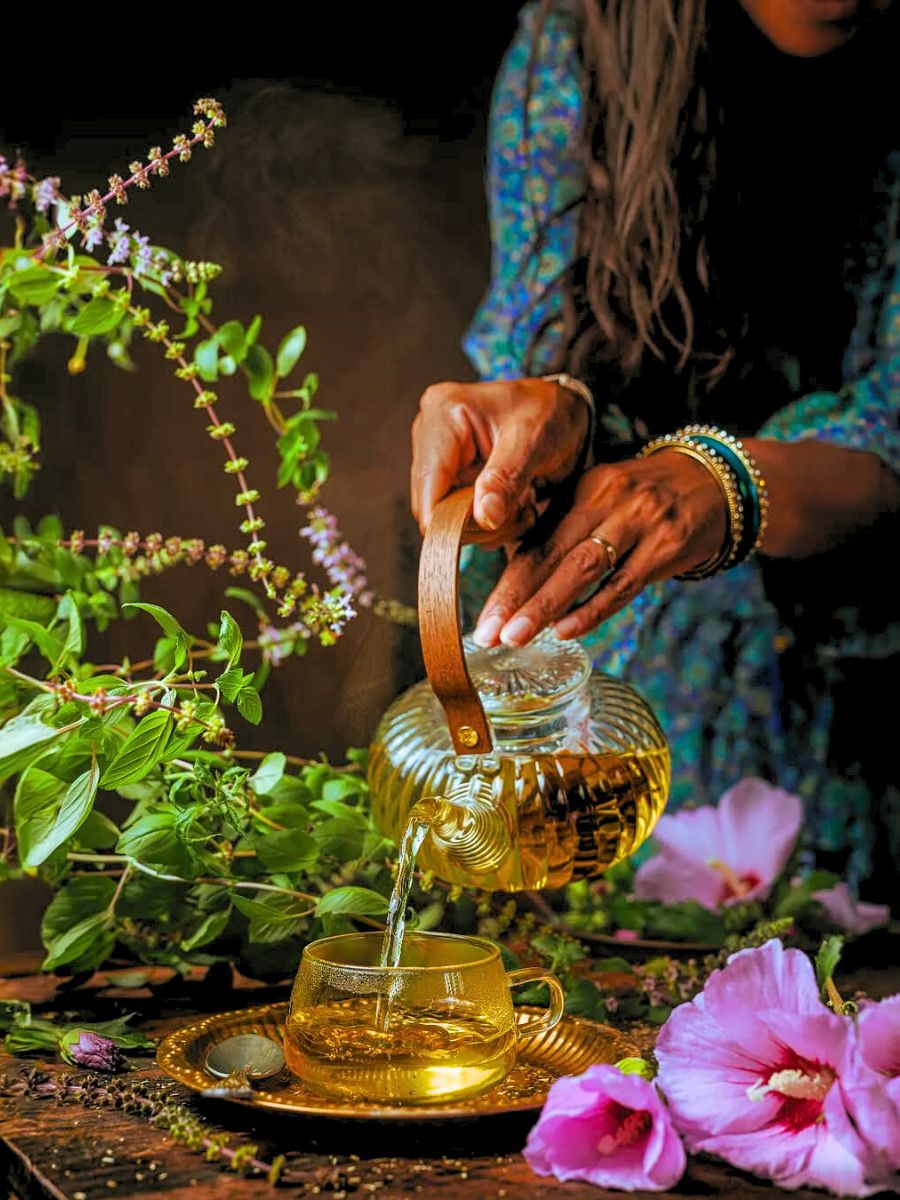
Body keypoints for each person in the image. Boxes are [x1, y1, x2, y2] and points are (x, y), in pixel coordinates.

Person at [409, 0, 900, 894]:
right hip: (635, 733)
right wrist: (554, 401)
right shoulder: (578, 39)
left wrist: (720, 486)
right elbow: (561, 326)